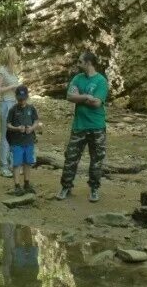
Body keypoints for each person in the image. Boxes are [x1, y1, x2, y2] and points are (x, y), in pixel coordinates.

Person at [56, 52, 108, 202]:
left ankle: (94, 189)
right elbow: (69, 97)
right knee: (71, 157)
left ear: (88, 63)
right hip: (79, 125)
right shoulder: (77, 78)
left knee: (96, 159)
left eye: (80, 62)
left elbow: (97, 103)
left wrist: (79, 96)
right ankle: (66, 186)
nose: (78, 64)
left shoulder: (100, 81)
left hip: (97, 126)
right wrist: (86, 97)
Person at [6, 85, 39, 196]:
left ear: (27, 97)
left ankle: (27, 184)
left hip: (29, 141)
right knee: (16, 164)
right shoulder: (13, 110)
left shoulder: (31, 108)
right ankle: (17, 186)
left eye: (23, 98)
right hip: (16, 142)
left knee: (28, 163)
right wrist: (17, 128)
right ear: (16, 97)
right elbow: (8, 125)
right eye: (19, 99)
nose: (21, 101)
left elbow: (36, 121)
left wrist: (32, 128)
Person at [0, 46, 21, 178]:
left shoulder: (13, 71)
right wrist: (12, 87)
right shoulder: (2, 70)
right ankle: (3, 167)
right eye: (15, 54)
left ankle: (12, 164)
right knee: (5, 136)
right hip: (5, 104)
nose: (17, 56)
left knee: (14, 136)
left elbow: (14, 90)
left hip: (14, 104)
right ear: (10, 56)